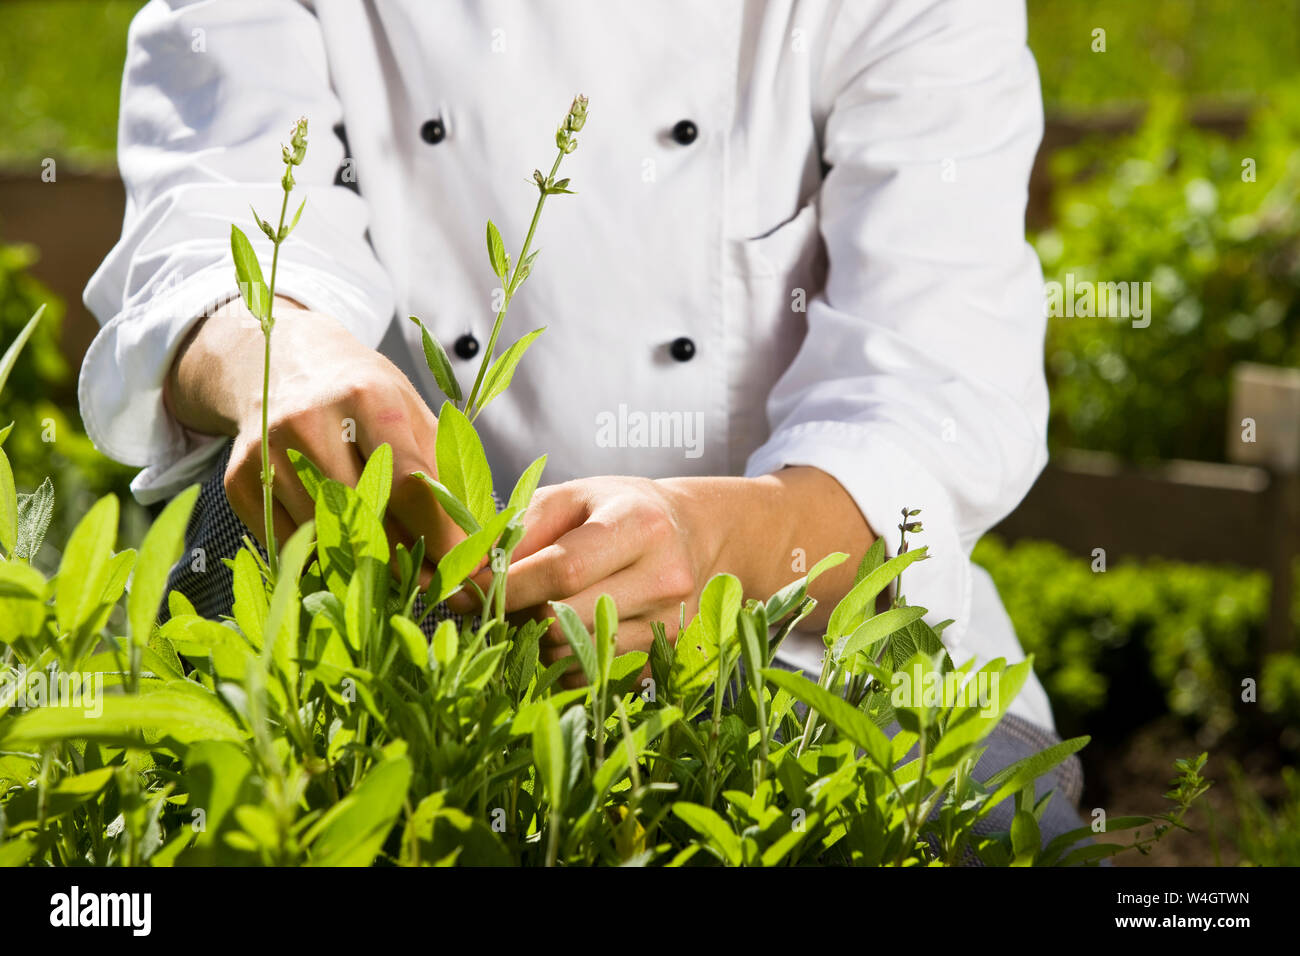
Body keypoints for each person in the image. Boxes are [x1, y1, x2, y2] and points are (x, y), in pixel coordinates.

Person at [82, 0, 1083, 850]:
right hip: (405, 631)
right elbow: (205, 218)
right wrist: (274, 350)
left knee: (993, 831)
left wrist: (705, 549)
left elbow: (924, 404)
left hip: (797, 640)